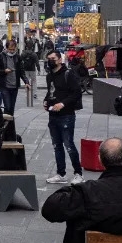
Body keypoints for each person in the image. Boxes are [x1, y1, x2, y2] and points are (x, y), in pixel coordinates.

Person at [44, 50, 84, 185]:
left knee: (69, 145)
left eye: (53, 58)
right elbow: (51, 92)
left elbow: (77, 93)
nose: (50, 61)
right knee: (57, 146)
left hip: (66, 115)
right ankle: (61, 174)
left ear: (60, 60)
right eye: (48, 58)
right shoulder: (49, 75)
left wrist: (62, 103)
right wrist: (46, 101)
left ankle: (78, 173)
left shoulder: (69, 74)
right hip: (53, 115)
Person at [0, 40, 31, 116]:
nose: (12, 51)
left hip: (14, 85)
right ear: (6, 48)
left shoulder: (18, 57)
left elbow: (21, 71)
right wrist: (4, 71)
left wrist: (26, 82)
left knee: (12, 107)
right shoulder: (0, 56)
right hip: (4, 85)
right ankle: (7, 124)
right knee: (7, 106)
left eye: (13, 49)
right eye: (10, 49)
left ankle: (10, 124)